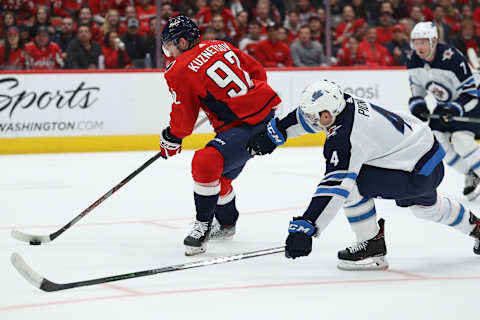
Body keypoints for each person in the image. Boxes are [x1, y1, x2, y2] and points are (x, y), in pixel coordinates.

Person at [246, 79, 480, 270]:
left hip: (414, 172)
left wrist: (307, 225)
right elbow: (307, 116)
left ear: (327, 115)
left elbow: (335, 186)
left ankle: (371, 245)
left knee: (352, 183)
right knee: (427, 208)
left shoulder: (344, 138)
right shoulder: (342, 101)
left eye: (314, 116)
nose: (310, 120)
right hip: (425, 159)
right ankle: (476, 227)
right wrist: (276, 132)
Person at [159, 15, 281, 256]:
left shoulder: (179, 70)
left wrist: (171, 137)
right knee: (219, 179)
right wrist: (244, 100)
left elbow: (184, 121)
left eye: (170, 45)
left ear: (182, 42)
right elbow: (257, 72)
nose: (168, 52)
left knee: (205, 162)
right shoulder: (219, 45)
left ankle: (202, 225)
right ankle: (226, 225)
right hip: (267, 118)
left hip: (243, 129)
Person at [408, 22, 480, 200]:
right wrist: (418, 104)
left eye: (423, 42)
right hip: (444, 107)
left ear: (434, 41)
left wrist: (455, 108)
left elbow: (470, 92)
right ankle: (470, 174)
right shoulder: (413, 60)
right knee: (437, 144)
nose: (419, 47)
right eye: (416, 42)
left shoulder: (452, 58)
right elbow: (417, 89)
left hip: (468, 104)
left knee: (461, 140)